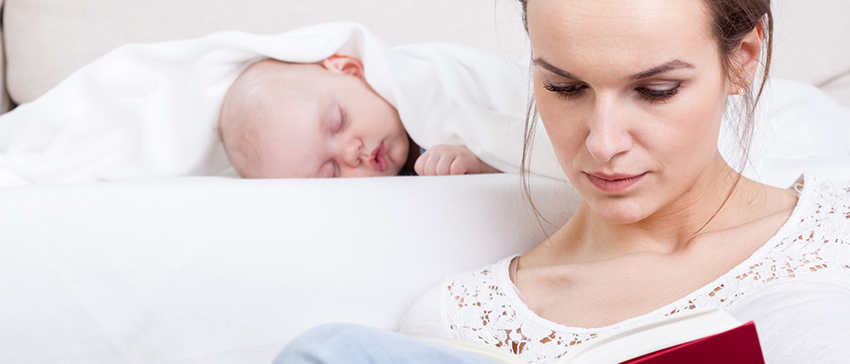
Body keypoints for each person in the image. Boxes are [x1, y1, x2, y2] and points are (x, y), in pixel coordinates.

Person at [277, 0, 850, 363]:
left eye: (655, 91)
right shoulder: (463, 320)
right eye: (565, 88)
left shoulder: (836, 228)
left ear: (743, 59)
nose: (602, 143)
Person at [218, 56, 501, 178]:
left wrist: (478, 161)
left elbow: (515, 147)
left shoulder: (430, 90)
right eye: (331, 172)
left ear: (350, 71)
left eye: (338, 122)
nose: (350, 153)